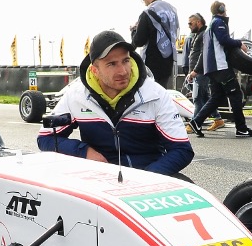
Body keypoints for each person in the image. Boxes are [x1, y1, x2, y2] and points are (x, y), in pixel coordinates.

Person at [36, 30, 193, 176]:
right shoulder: (76, 96)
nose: (123, 71)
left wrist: (146, 178)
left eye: (126, 61)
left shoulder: (155, 94)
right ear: (94, 70)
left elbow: (182, 150)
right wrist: (84, 152)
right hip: (99, 179)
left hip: (148, 176)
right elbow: (45, 138)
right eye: (112, 64)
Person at [188, 1, 252, 138]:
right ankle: (241, 128)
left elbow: (204, 53)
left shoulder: (209, 28)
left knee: (216, 97)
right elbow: (224, 40)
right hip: (221, 67)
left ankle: (196, 122)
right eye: (225, 9)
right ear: (221, 9)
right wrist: (240, 43)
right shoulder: (219, 23)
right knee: (236, 95)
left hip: (212, 70)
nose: (226, 11)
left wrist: (196, 70)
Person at [129, 0, 179, 89]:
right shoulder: (172, 10)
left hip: (152, 60)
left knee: (150, 91)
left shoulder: (148, 12)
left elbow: (139, 41)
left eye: (143, 0)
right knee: (162, 90)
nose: (145, 3)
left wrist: (134, 31)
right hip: (169, 58)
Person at [184, 13, 224, 133]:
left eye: (190, 23)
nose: (189, 26)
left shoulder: (204, 34)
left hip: (201, 72)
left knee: (198, 98)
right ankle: (218, 119)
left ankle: (193, 124)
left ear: (198, 22)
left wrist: (195, 71)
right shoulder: (198, 34)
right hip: (198, 71)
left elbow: (203, 55)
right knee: (205, 97)